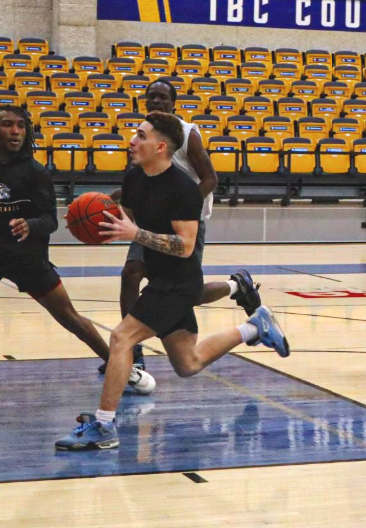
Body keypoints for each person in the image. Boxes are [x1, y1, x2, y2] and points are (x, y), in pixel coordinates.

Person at [55, 113, 289, 450]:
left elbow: (185, 246)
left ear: (160, 147)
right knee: (187, 363)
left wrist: (136, 234)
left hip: (176, 283)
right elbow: (131, 218)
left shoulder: (183, 190)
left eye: (140, 135)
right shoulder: (135, 177)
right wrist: (96, 221)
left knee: (122, 338)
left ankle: (104, 426)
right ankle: (254, 327)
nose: (132, 141)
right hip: (161, 277)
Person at [0, 105, 154, 410]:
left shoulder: (36, 172)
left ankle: (124, 369)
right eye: (8, 125)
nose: (15, 131)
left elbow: (50, 220)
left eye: (21, 125)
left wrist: (29, 224)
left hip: (28, 259)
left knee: (72, 320)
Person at [97, 79, 262, 375]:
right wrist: (114, 200)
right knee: (130, 273)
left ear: (174, 103)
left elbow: (210, 179)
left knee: (182, 292)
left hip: (186, 223)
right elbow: (146, 181)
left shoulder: (188, 135)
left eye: (162, 97)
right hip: (150, 223)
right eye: (152, 97)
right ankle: (132, 350)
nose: (157, 101)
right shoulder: (143, 135)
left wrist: (182, 208)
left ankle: (236, 286)